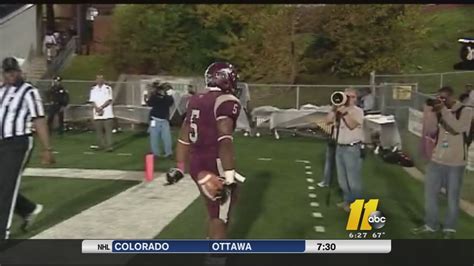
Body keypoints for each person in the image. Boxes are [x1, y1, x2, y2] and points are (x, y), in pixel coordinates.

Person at [169, 62, 243, 240]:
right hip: (214, 162)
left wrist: (180, 166)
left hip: (196, 162)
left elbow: (183, 136)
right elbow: (225, 140)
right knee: (220, 216)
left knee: (213, 210)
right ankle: (215, 257)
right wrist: (229, 177)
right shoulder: (227, 101)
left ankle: (209, 245)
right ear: (225, 79)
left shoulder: (195, 99)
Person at [0, 57, 55, 239]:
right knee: (3, 185)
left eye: (13, 71)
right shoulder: (1, 91)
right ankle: (28, 209)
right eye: (7, 72)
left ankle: (3, 232)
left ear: (19, 71)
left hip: (18, 142)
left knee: (7, 187)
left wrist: (47, 149)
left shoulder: (29, 92)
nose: (11, 75)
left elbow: (39, 119)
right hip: (2, 141)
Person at [412, 86, 472, 239]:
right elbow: (431, 131)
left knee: (452, 197)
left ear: (452, 98)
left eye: (444, 98)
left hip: (455, 163)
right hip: (436, 160)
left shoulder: (466, 111)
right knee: (430, 195)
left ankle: (450, 228)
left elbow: (458, 128)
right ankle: (431, 225)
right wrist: (429, 113)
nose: (441, 101)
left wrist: (444, 110)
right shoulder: (440, 111)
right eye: (439, 98)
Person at [325, 88, 365, 212]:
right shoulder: (338, 110)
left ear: (356, 99)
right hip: (339, 147)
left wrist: (345, 113)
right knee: (342, 180)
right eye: (346, 96)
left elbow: (352, 125)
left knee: (353, 181)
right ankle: (347, 201)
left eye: (351, 96)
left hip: (352, 148)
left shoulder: (358, 111)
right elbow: (327, 121)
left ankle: (357, 206)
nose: (348, 99)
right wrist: (334, 108)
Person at [145, 81, 174, 158]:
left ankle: (168, 153)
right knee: (154, 138)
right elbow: (150, 103)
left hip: (163, 121)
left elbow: (170, 102)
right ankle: (156, 153)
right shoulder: (156, 97)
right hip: (154, 120)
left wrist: (167, 95)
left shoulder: (166, 98)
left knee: (167, 138)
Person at [89, 75, 114, 152]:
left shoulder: (107, 88)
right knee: (99, 131)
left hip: (107, 113)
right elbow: (92, 101)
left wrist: (101, 107)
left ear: (103, 80)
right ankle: (101, 145)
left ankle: (109, 146)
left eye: (101, 79)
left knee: (108, 131)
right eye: (98, 79)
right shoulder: (93, 89)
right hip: (97, 113)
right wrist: (96, 108)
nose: (99, 80)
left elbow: (109, 100)